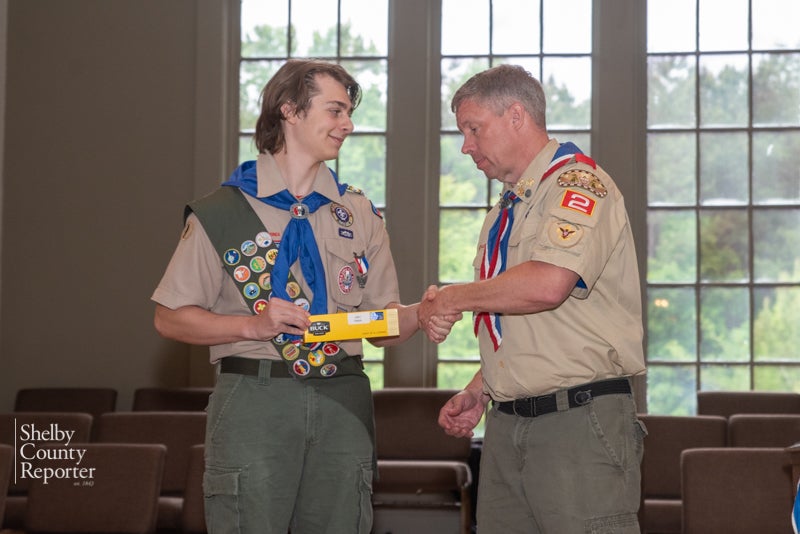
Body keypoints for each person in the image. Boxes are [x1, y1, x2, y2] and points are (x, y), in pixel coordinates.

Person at [152, 59, 453, 534]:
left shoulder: (359, 213)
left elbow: (382, 325)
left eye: (349, 113)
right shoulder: (221, 212)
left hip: (343, 398)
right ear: (289, 110)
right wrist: (251, 325)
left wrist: (422, 313)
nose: (348, 124)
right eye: (334, 111)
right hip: (256, 395)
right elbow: (170, 319)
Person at [418, 64, 647, 533]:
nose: (466, 146)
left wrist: (454, 298)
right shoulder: (506, 210)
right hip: (507, 427)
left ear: (517, 116)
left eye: (473, 128)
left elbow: (547, 285)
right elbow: (524, 320)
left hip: (577, 423)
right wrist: (480, 390)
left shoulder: (579, 185)